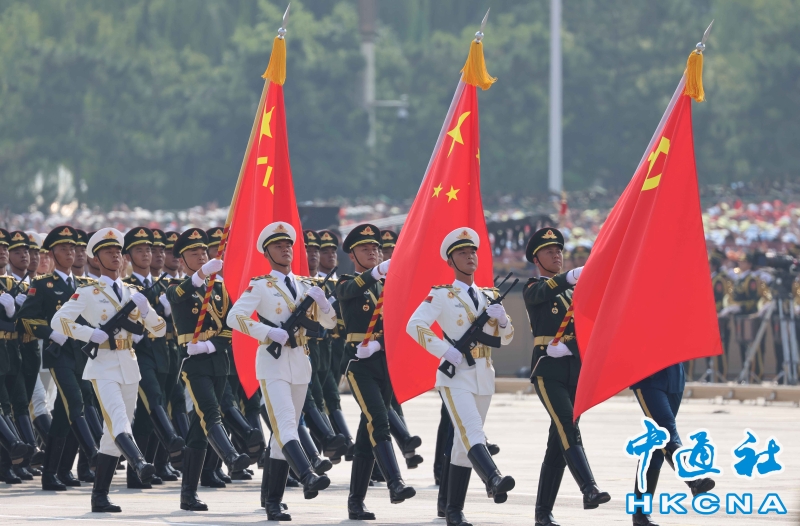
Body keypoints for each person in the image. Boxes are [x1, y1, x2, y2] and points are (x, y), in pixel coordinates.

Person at [51, 228, 167, 512]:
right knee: (117, 420)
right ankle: (139, 462)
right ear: (96, 259)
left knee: (111, 434)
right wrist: (89, 333)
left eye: (118, 252)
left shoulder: (133, 292)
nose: (115, 256)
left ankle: (99, 496)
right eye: (108, 252)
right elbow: (58, 321)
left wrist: (147, 311)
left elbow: (160, 329)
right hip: (102, 364)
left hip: (129, 364)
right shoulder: (88, 292)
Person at [406, 227, 516, 526]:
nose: (470, 257)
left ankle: (452, 509)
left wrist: (503, 321)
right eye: (462, 253)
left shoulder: (490, 295)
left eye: (472, 252)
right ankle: (493, 478)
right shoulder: (442, 294)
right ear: (451, 261)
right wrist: (445, 350)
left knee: (461, 444)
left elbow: (506, 339)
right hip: (456, 376)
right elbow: (414, 325)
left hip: (484, 374)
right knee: (472, 432)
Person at [227, 222, 335, 520]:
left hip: (300, 361)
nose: (285, 249)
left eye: (288, 245)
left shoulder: (305, 285)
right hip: (272, 363)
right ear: (267, 253)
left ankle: (272, 500)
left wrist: (324, 305)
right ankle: (307, 475)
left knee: (282, 433)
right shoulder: (260, 285)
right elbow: (234, 317)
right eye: (278, 246)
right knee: (286, 425)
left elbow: (329, 324)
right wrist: (266, 332)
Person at [523, 227, 610, 526]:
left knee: (557, 444)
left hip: (574, 369)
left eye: (559, 250)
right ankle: (589, 488)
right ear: (536, 259)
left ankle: (542, 513)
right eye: (549, 251)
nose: (556, 254)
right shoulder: (533, 287)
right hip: (548, 369)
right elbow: (539, 294)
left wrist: (571, 347)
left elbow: (589, 328)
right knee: (567, 426)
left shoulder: (575, 293)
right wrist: (570, 277)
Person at [165, 228, 249, 512]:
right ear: (181, 260)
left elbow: (232, 323)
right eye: (194, 253)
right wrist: (200, 275)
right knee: (211, 412)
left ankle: (188, 494)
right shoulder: (176, 286)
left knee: (199, 431)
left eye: (203, 252)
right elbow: (178, 296)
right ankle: (231, 457)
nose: (201, 256)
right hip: (193, 364)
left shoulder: (220, 289)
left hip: (217, 360)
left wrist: (211, 345)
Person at [336, 224, 416, 521]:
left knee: (367, 434)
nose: (372, 252)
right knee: (379, 421)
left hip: (384, 362)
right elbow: (347, 292)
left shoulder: (388, 286)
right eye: (365, 249)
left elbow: (399, 322)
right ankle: (395, 483)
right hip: (359, 364)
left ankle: (355, 502)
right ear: (352, 255)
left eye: (376, 249)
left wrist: (380, 343)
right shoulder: (347, 281)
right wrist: (376, 273)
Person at [17, 226, 99, 491]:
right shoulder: (43, 285)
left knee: (65, 415)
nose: (70, 253)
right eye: (64, 249)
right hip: (59, 354)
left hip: (81, 355)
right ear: (52, 254)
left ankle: (57, 471)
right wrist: (51, 332)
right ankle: (93, 452)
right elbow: (25, 320)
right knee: (74, 401)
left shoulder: (84, 286)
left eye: (73, 248)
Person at [122, 227, 185, 488]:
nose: (147, 254)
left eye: (149, 249)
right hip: (139, 353)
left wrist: (171, 310)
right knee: (153, 400)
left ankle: (146, 468)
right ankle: (170, 443)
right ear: (128, 256)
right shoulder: (126, 286)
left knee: (150, 414)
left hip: (163, 353)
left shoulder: (163, 285)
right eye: (140, 250)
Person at [629, 362, 716, 526]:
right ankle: (692, 479)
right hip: (648, 377)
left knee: (656, 448)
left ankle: (640, 514)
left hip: (674, 376)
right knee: (665, 429)